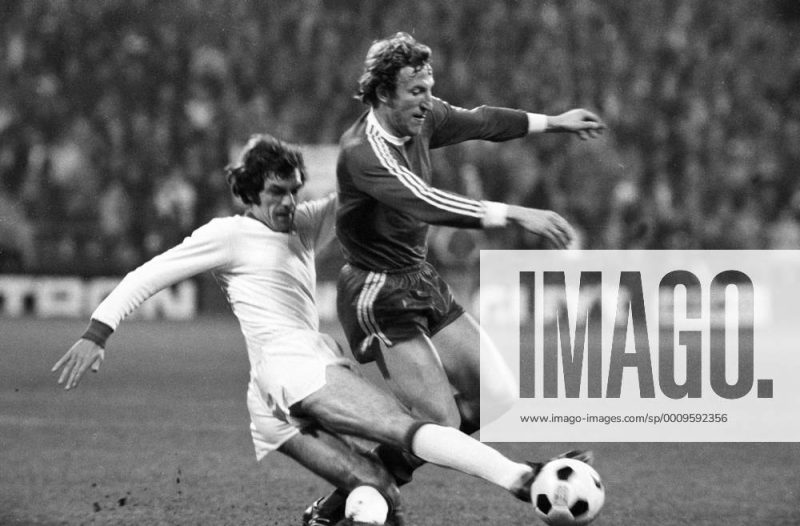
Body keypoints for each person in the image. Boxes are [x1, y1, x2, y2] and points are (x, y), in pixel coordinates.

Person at [52, 134, 587, 526]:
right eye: (276, 192)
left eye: (293, 190)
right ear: (250, 192)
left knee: (380, 494)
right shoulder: (228, 234)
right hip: (293, 370)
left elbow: (364, 192)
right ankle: (525, 478)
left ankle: (326, 514)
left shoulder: (303, 225)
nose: (288, 202)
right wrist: (98, 333)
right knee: (409, 428)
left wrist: (399, 153)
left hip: (273, 395)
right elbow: (149, 275)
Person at [306, 32, 605, 524]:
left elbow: (483, 120)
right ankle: (522, 478)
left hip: (418, 276)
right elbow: (426, 201)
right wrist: (514, 213)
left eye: (429, 88)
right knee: (441, 421)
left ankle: (356, 494)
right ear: (383, 94)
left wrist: (552, 122)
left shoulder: (423, 119)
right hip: (377, 291)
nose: (427, 100)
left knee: (496, 397)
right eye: (415, 91)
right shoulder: (363, 152)